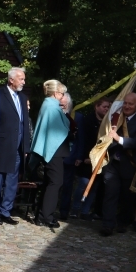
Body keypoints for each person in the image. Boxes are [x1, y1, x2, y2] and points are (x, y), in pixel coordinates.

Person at [101, 92, 136, 236]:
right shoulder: (115, 118)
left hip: (130, 165)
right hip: (113, 164)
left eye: (131, 104)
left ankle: (122, 222)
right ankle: (107, 225)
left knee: (127, 197)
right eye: (125, 103)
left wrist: (119, 139)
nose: (127, 106)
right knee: (110, 193)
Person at [0, 67, 30, 225]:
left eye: (24, 79)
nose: (24, 82)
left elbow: (24, 124)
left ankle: (6, 211)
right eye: (21, 79)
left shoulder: (22, 97)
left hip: (17, 147)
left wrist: (26, 147)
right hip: (2, 145)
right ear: (11, 79)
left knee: (12, 182)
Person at [29, 80, 71, 229]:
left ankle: (41, 215)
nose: (62, 96)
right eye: (61, 93)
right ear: (56, 93)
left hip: (52, 149)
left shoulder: (48, 104)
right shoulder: (52, 107)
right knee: (55, 182)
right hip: (54, 150)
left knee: (49, 182)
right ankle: (47, 216)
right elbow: (61, 130)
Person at [73, 98, 111, 219]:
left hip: (100, 160)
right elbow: (83, 140)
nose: (106, 109)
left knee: (94, 187)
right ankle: (75, 209)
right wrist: (84, 157)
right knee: (83, 184)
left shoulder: (108, 123)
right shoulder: (87, 121)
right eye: (104, 106)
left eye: (108, 107)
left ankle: (85, 211)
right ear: (96, 107)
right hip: (87, 158)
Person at [58, 92, 82, 220]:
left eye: (63, 105)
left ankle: (64, 211)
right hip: (55, 156)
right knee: (54, 184)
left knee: (67, 186)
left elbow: (81, 139)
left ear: (69, 105)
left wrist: (79, 156)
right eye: (59, 104)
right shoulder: (54, 115)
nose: (61, 106)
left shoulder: (78, 117)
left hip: (70, 157)